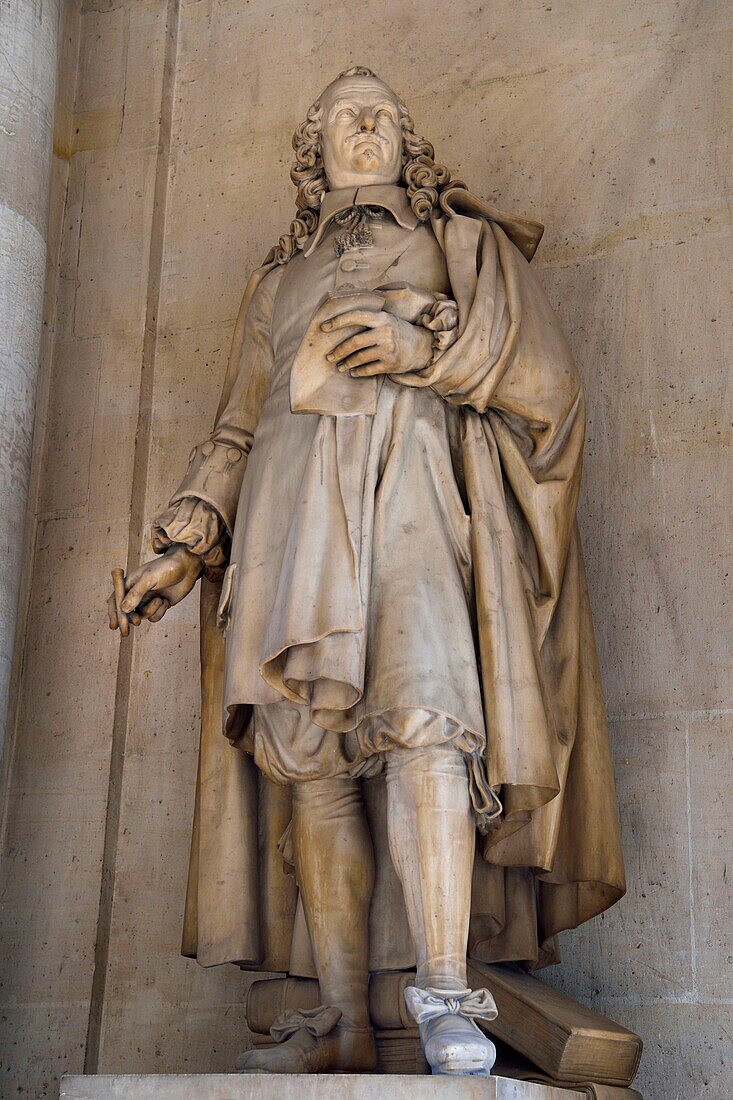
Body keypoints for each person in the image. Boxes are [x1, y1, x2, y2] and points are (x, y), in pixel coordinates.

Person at [108, 67, 625, 1077]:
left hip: (415, 502)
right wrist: (185, 543)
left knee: (429, 723)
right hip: (287, 522)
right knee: (311, 758)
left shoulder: (454, 241)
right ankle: (338, 1012)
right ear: (312, 149)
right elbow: (235, 426)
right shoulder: (276, 282)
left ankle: (441, 991)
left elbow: (545, 379)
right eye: (343, 116)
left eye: (379, 113)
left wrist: (422, 346)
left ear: (405, 139)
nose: (361, 128)